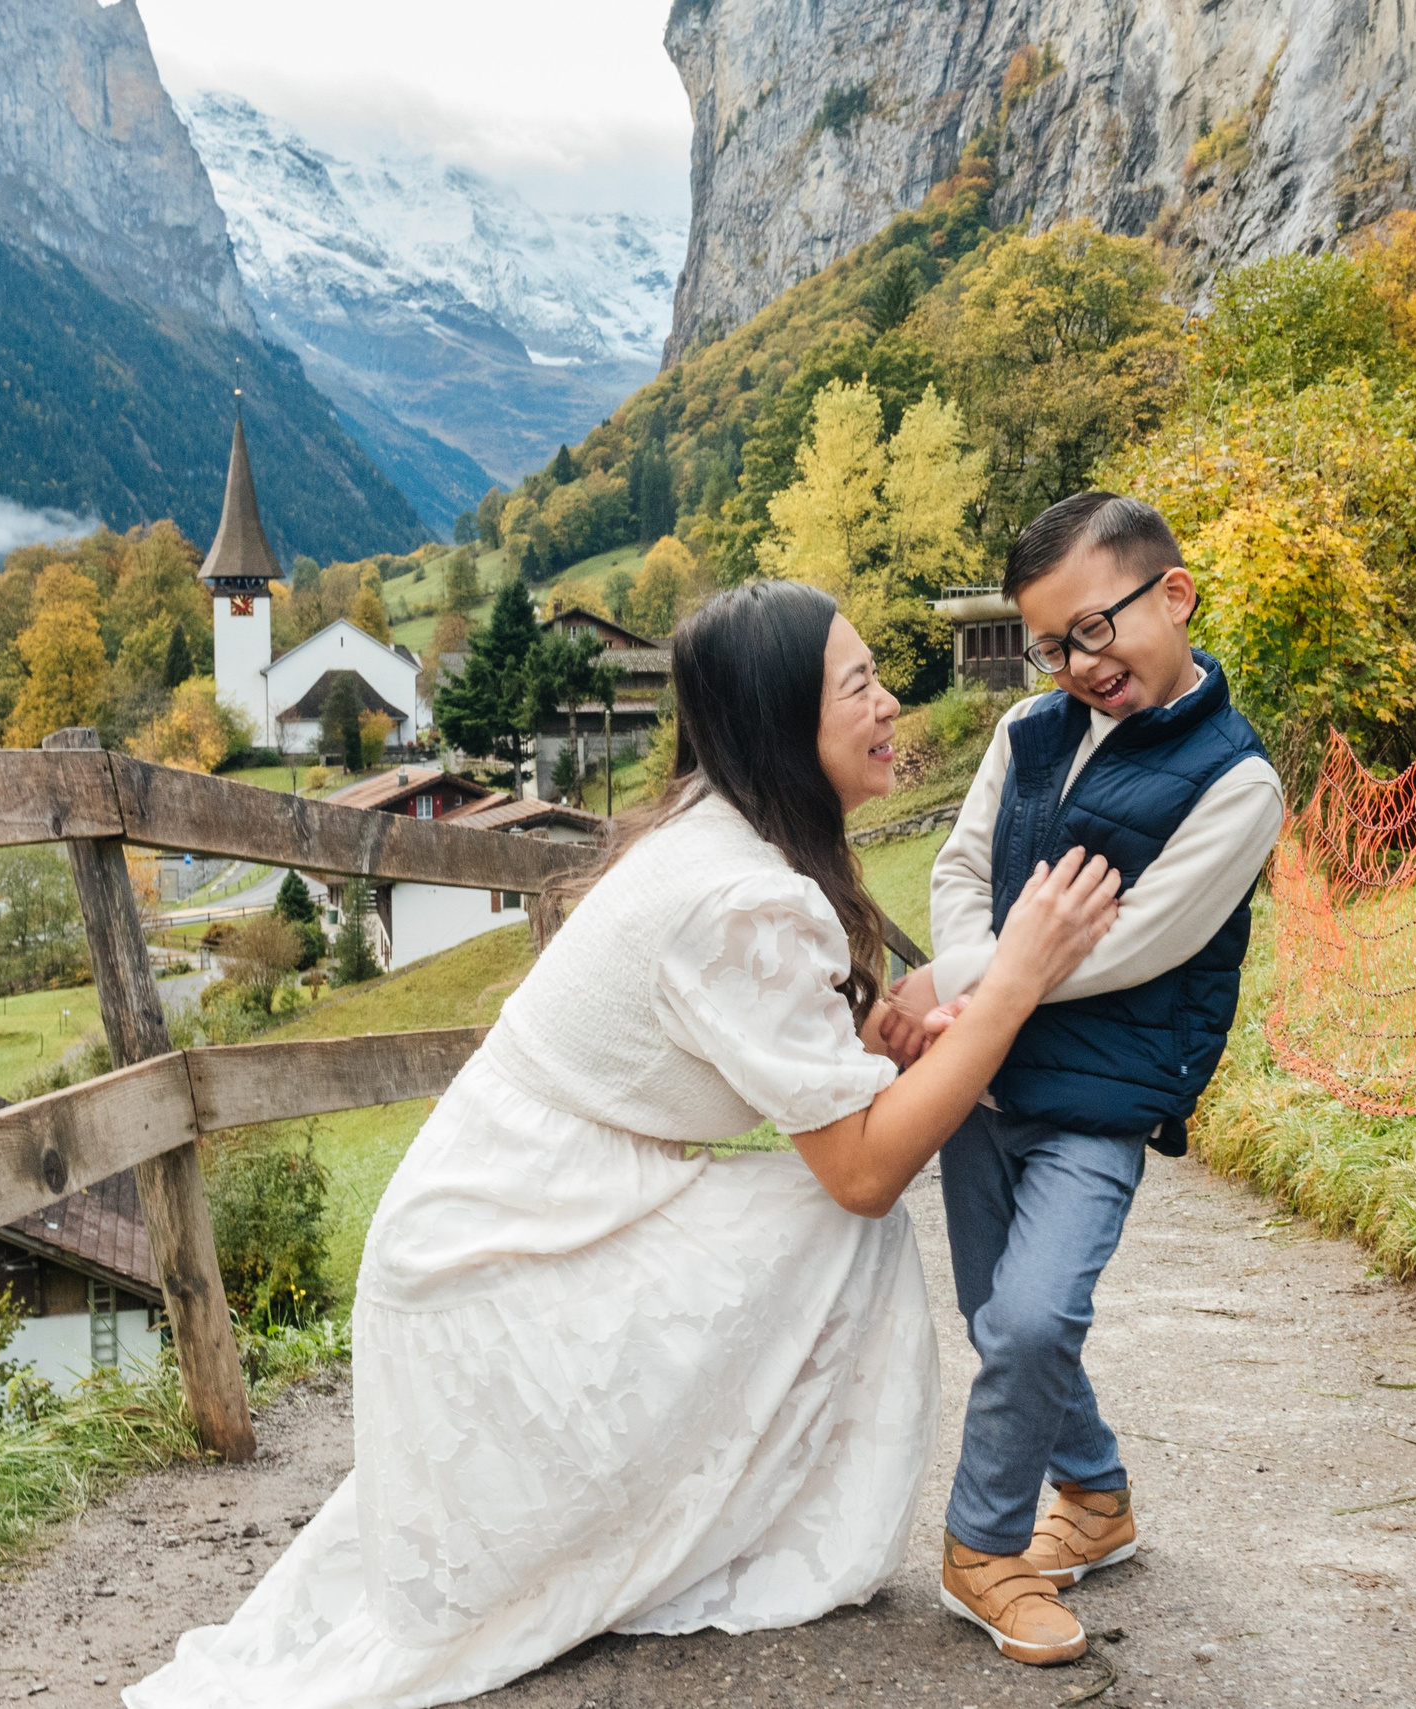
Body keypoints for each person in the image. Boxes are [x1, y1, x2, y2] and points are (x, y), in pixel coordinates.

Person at [127, 580, 1121, 1709]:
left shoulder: (727, 843)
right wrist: (1017, 980)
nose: (891, 702)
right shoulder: (736, 895)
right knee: (844, 1230)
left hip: (529, 1217)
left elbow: (806, 1066)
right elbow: (861, 1169)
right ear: (781, 724)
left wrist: (888, 1039)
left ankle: (696, 1512)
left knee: (818, 1217)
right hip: (498, 1270)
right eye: (859, 685)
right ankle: (728, 1529)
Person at [880, 493, 1285, 1666]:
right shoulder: (1025, 731)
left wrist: (976, 979)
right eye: (1052, 645)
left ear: (1174, 594)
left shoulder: (1236, 784)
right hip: (980, 1079)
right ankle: (1096, 1497)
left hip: (1097, 1101)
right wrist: (988, 977)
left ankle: (982, 1547)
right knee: (994, 1316)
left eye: (1094, 629)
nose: (1078, 665)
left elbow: (1136, 944)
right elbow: (959, 872)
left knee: (1034, 1315)